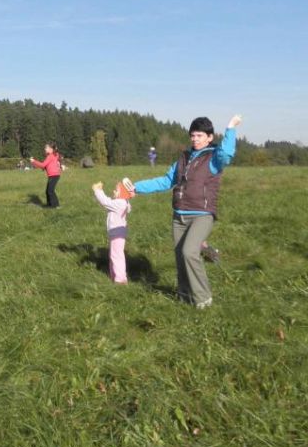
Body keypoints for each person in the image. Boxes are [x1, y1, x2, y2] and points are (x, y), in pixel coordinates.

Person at [132, 115, 242, 308]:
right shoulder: (183, 158)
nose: (195, 139)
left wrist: (230, 128)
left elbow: (227, 154)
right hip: (179, 215)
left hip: (202, 215)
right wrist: (136, 187)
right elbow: (166, 181)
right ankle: (184, 296)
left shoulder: (214, 157)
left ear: (209, 137)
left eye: (200, 135)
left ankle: (203, 298)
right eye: (192, 135)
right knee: (180, 257)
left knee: (189, 252)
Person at [92, 178, 135, 283]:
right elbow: (109, 203)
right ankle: (114, 276)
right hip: (117, 233)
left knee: (116, 256)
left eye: (116, 190)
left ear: (122, 193)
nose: (113, 191)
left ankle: (120, 280)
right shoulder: (123, 202)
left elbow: (105, 202)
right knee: (114, 255)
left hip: (117, 234)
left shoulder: (119, 203)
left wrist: (98, 190)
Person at [30, 142, 65, 208]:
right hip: (54, 175)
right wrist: (61, 165)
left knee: (50, 191)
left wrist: (34, 161)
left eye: (46, 148)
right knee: (48, 191)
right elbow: (48, 164)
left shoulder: (50, 156)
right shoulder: (55, 154)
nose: (44, 149)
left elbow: (43, 165)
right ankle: (49, 205)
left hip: (54, 175)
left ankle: (56, 205)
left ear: (51, 149)